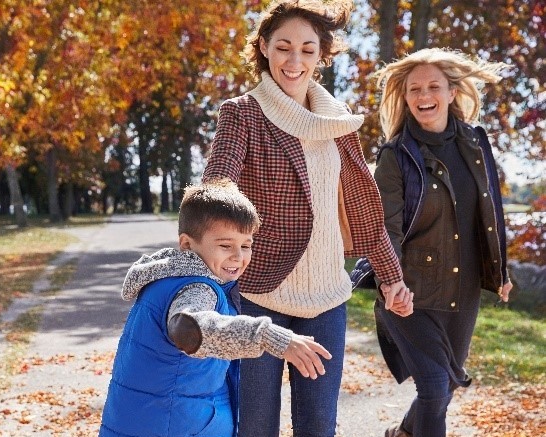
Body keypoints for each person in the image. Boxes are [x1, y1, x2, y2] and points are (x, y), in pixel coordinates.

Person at [201, 1, 413, 436]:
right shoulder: (243, 113)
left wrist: (391, 277)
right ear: (264, 47)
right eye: (282, 47)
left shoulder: (337, 122)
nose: (294, 61)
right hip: (258, 295)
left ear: (321, 55)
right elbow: (216, 187)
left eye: (306, 49)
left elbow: (362, 205)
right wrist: (205, 255)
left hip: (327, 299)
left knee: (318, 426)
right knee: (256, 425)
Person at [98, 178, 332, 437]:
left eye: (246, 245)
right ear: (187, 244)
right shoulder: (197, 288)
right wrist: (269, 336)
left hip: (140, 418)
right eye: (225, 245)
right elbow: (193, 327)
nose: (238, 256)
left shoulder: (165, 278)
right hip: (175, 423)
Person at [369, 48, 513, 437]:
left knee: (445, 384)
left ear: (452, 92)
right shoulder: (395, 156)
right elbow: (386, 228)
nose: (423, 95)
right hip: (410, 291)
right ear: (405, 97)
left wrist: (501, 269)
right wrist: (390, 281)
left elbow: (490, 209)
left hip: (463, 290)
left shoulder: (475, 143)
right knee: (433, 386)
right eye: (414, 88)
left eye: (433, 86)